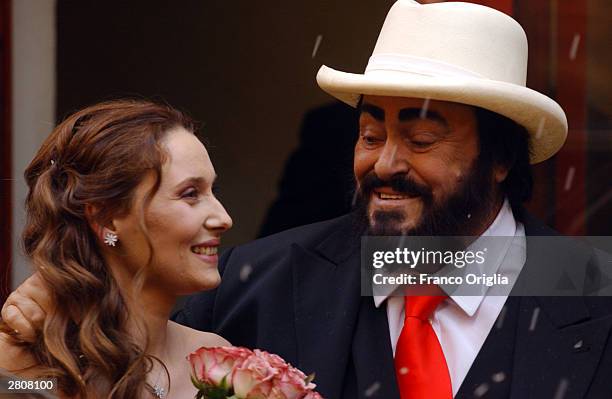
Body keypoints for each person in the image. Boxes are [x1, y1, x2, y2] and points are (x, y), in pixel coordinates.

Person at [5, 1, 612, 398]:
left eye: (422, 138)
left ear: (501, 158)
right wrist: (50, 320)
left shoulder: (593, 288)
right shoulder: (255, 284)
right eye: (370, 134)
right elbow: (89, 378)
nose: (385, 162)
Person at [0, 100, 233, 397]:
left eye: (214, 191)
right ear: (106, 218)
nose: (224, 218)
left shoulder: (216, 362)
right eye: (190, 194)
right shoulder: (22, 367)